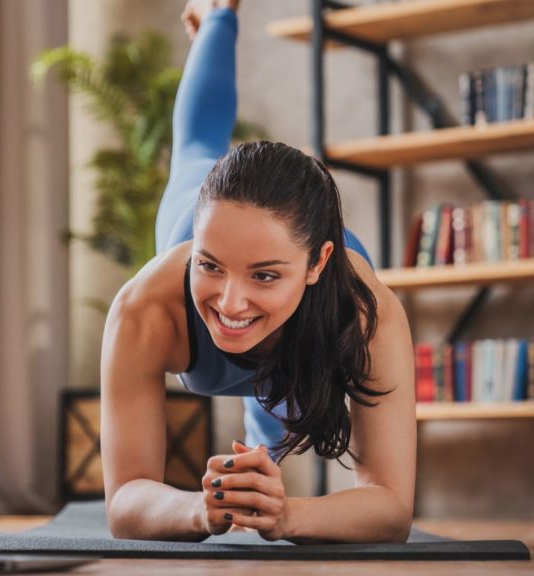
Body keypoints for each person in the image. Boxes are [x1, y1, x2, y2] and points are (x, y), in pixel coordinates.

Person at [99, 0, 415, 543]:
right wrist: (202, 509)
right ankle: (218, 15)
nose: (229, 301)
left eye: (264, 275)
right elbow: (126, 499)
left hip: (306, 327)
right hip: (205, 226)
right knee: (196, 150)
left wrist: (288, 515)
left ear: (318, 263)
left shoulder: (365, 311)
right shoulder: (144, 309)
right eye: (210, 266)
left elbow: (390, 506)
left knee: (276, 405)